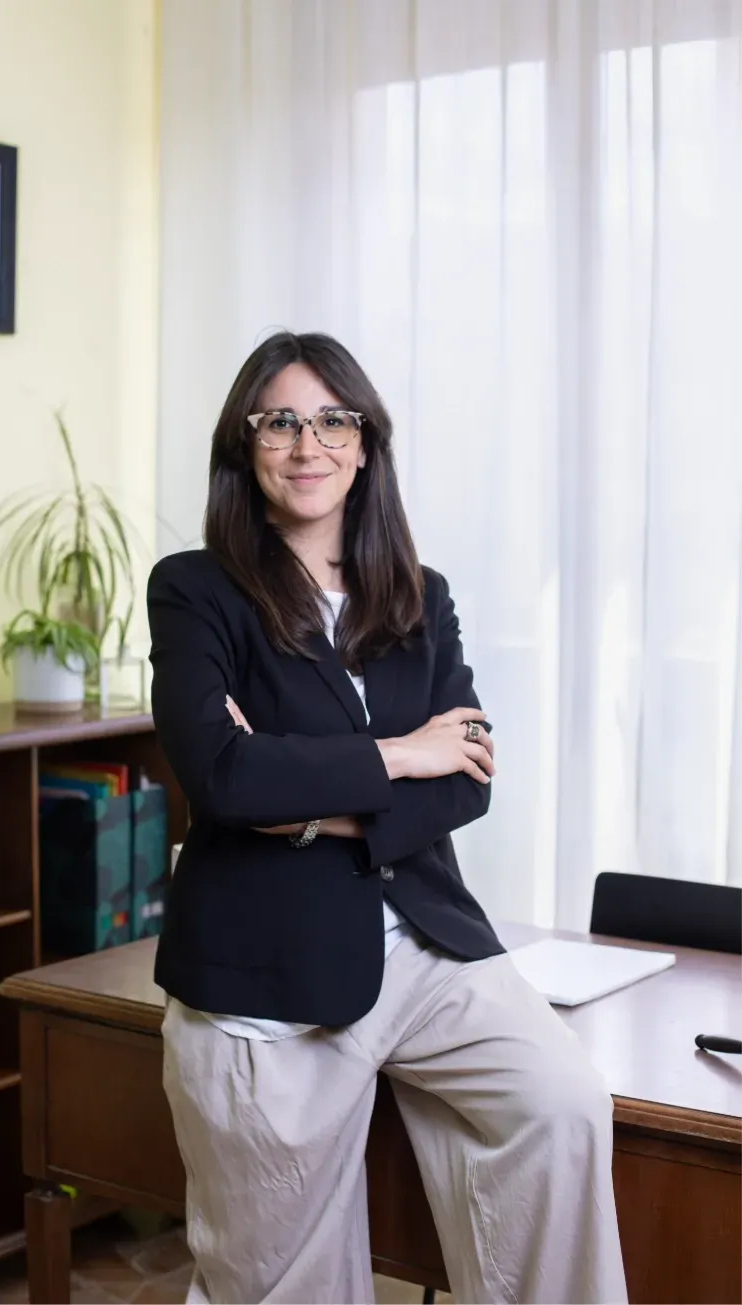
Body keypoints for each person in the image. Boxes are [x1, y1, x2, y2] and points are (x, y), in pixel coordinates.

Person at [146, 331, 627, 1305]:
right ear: (245, 443)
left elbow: (469, 779)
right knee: (287, 1284)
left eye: (333, 420)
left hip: (424, 944)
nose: (308, 444)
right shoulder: (195, 590)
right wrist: (401, 754)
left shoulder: (417, 594)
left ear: (365, 444)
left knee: (563, 1103)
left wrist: (304, 810)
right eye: (280, 421)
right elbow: (224, 777)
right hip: (267, 968)